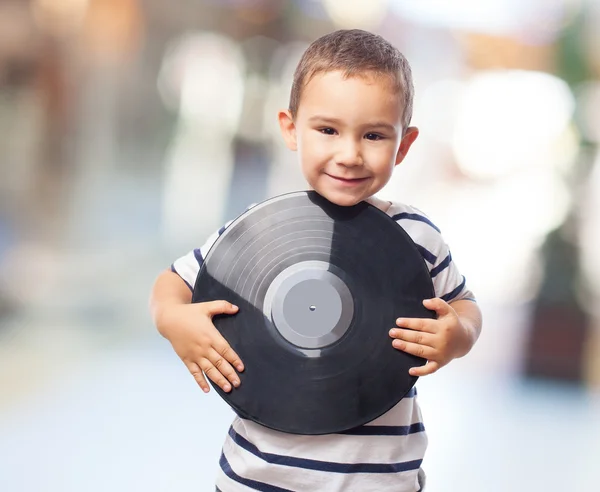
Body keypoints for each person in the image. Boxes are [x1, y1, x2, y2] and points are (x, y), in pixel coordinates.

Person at [149, 29, 482, 492]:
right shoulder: (258, 229)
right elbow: (172, 282)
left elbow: (465, 305)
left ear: (404, 145)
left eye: (374, 135)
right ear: (291, 128)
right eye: (327, 130)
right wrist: (173, 320)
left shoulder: (419, 237)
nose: (349, 155)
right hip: (257, 479)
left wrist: (458, 335)